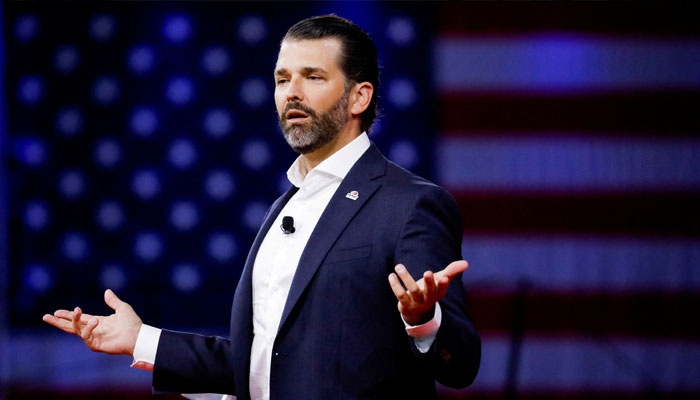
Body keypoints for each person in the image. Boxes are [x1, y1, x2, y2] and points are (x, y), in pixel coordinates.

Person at [43, 14, 480, 400]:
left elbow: (461, 363)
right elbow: (264, 364)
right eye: (281, 78)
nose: (292, 93)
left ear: (358, 97)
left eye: (312, 77)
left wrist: (424, 319)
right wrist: (141, 340)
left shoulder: (411, 203)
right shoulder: (283, 207)